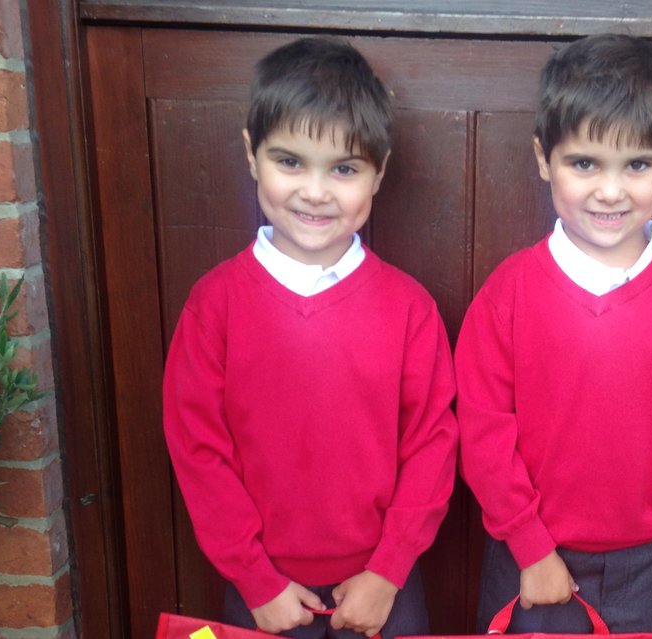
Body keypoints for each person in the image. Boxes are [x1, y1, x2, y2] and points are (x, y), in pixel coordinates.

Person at [162, 36, 458, 639]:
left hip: (385, 593)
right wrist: (255, 579)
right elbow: (198, 451)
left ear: (379, 172)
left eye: (344, 169)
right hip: (262, 595)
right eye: (290, 161)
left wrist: (388, 570)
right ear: (252, 154)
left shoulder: (410, 309)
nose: (316, 192)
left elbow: (433, 445)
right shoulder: (214, 306)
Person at [455, 33, 652, 634]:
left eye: (637, 165)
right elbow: (483, 431)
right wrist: (531, 547)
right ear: (544, 159)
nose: (611, 191)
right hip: (529, 560)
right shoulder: (508, 293)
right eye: (584, 163)